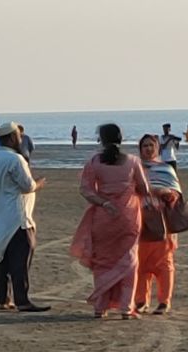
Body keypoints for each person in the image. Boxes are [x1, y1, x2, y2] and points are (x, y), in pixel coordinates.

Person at [70, 123, 149, 319]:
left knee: (103, 261)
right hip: (129, 217)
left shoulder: (94, 162)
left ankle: (101, 306)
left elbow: (86, 190)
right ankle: (125, 307)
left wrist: (104, 202)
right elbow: (145, 188)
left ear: (101, 140)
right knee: (129, 260)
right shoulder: (132, 161)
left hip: (103, 217)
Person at [0, 121, 50, 312]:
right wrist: (39, 184)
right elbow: (27, 186)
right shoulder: (15, 160)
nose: (21, 140)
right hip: (17, 217)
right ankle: (22, 300)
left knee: (2, 259)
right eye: (19, 137)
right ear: (12, 137)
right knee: (21, 259)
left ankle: (3, 298)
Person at [135, 134, 182, 315]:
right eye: (144, 146)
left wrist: (164, 193)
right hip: (140, 218)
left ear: (157, 148)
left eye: (151, 145)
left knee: (164, 263)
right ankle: (141, 300)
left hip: (163, 220)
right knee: (140, 263)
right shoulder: (134, 168)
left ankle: (164, 301)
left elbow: (176, 192)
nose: (147, 149)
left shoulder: (165, 169)